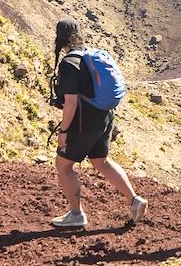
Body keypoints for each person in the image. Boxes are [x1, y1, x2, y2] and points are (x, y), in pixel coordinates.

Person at [48, 19, 147, 229]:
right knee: (101, 161)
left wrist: (64, 131)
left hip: (84, 121)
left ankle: (76, 214)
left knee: (63, 166)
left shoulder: (69, 63)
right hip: (105, 116)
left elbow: (71, 103)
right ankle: (134, 200)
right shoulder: (89, 55)